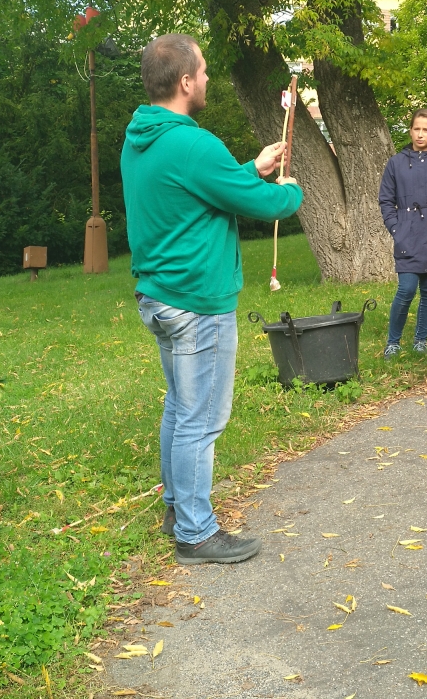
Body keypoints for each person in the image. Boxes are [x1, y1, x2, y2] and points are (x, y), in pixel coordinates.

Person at [121, 34, 303, 565]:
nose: (206, 78)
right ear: (184, 81)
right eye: (201, 71)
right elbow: (264, 204)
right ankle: (197, 533)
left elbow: (201, 193)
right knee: (201, 418)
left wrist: (251, 168)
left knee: (181, 407)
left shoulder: (143, 137)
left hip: (160, 298)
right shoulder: (194, 143)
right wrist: (288, 188)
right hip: (197, 303)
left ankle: (178, 509)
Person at [379, 109, 427, 358]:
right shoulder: (396, 163)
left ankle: (421, 340)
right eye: (417, 129)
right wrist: (396, 228)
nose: (421, 134)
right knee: (407, 288)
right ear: (410, 130)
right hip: (408, 234)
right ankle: (393, 341)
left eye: (426, 129)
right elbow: (385, 200)